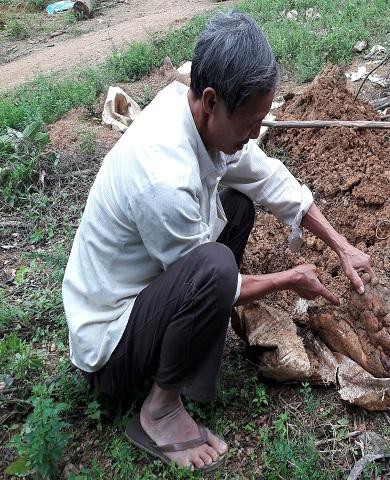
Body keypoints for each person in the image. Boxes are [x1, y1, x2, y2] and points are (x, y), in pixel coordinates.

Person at [62, 11, 374, 472]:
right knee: (216, 266)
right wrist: (287, 279)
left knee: (239, 204)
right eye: (250, 122)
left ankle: (191, 341)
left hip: (151, 296)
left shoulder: (197, 114)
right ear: (211, 101)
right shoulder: (162, 176)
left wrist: (341, 245)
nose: (255, 134)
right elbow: (211, 275)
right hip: (112, 348)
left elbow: (267, 178)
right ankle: (159, 410)